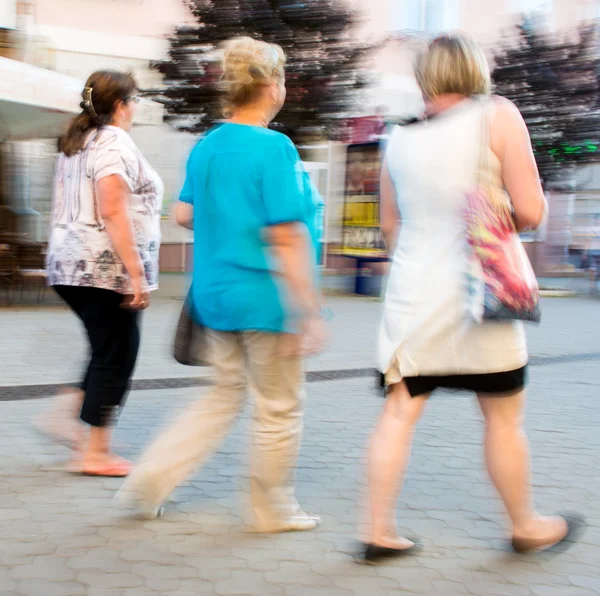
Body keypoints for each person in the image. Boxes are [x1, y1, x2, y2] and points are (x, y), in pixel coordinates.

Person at [364, 34, 584, 562]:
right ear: (473, 70)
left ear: (425, 78)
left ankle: (378, 530)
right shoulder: (497, 115)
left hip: (415, 296)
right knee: (504, 416)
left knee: (399, 411)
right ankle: (526, 525)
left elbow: (390, 228)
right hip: (482, 293)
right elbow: (531, 210)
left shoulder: (400, 138)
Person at [120, 37, 325, 531]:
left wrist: (229, 216)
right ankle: (271, 510)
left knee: (221, 397)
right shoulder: (275, 147)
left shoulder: (208, 144)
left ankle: (149, 481)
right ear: (271, 86)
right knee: (278, 407)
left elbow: (186, 213)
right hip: (265, 298)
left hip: (216, 297)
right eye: (281, 78)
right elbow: (286, 234)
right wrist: (308, 310)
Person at [39, 70, 163, 477]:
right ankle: (95, 452)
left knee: (104, 348)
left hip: (68, 265)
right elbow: (111, 209)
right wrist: (136, 274)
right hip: (102, 269)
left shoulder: (79, 141)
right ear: (122, 105)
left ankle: (68, 416)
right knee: (117, 355)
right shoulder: (113, 141)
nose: (138, 108)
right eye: (137, 100)